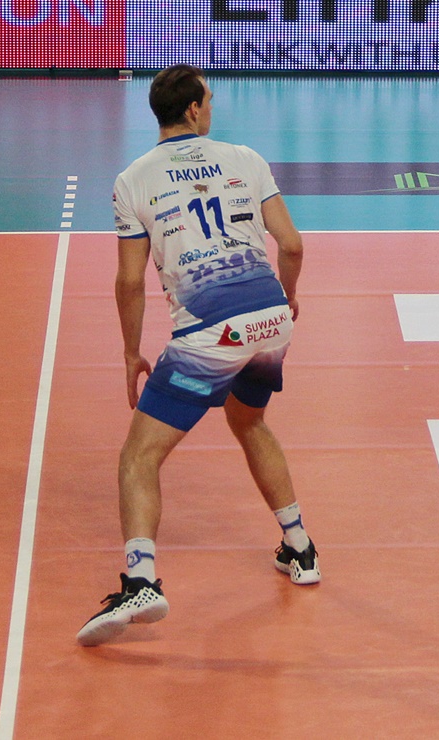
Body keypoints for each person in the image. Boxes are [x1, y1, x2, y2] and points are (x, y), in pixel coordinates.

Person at [78, 65, 319, 647]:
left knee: (139, 456)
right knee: (250, 420)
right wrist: (287, 297)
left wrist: (130, 350)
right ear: (191, 110)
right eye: (208, 97)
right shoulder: (245, 159)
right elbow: (291, 245)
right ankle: (300, 547)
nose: (212, 104)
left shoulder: (132, 180)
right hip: (270, 319)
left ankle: (141, 582)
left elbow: (129, 281)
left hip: (211, 332)